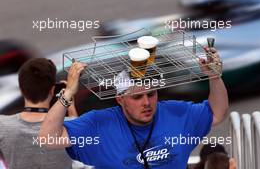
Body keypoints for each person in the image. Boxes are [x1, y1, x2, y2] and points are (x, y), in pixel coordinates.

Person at [39, 47, 229, 169]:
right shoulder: (98, 124)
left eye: (152, 94)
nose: (146, 102)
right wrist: (68, 93)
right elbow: (48, 139)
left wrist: (214, 77)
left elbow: (217, 112)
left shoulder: (177, 113)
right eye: (137, 97)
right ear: (120, 99)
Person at [0, 58, 78, 169]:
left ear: (22, 90)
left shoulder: (2, 126)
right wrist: (69, 104)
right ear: (52, 90)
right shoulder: (69, 126)